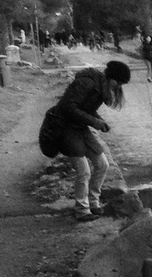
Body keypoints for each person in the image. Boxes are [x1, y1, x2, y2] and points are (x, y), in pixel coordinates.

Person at [39, 60, 130, 222]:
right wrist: (94, 122)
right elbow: (69, 107)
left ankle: (94, 202)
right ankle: (82, 209)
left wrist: (99, 119)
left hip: (80, 127)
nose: (118, 86)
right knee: (84, 171)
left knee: (102, 164)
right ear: (111, 77)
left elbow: (87, 108)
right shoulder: (86, 83)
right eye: (118, 82)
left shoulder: (101, 88)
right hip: (64, 127)